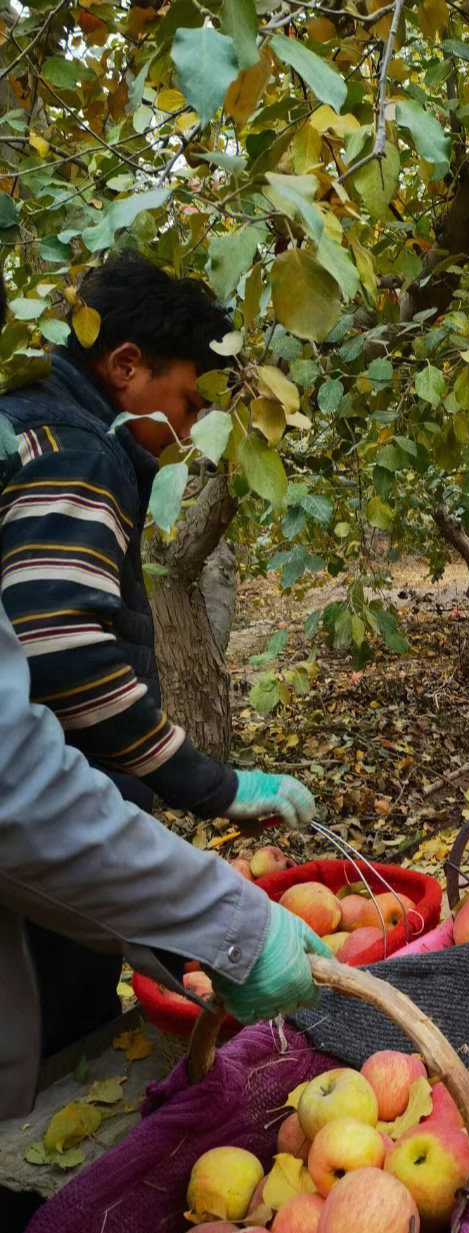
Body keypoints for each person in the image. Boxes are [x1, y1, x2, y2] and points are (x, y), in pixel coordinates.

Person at [0, 254, 317, 1051]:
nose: (191, 430)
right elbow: (62, 653)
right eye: (187, 400)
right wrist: (209, 783)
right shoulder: (80, 448)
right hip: (50, 848)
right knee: (61, 1055)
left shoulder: (32, 426)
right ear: (127, 366)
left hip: (49, 835)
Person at [0, 599, 327, 1121]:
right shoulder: (68, 515)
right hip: (53, 873)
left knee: (74, 1042)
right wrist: (234, 925)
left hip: (62, 886)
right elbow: (20, 766)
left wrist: (213, 788)